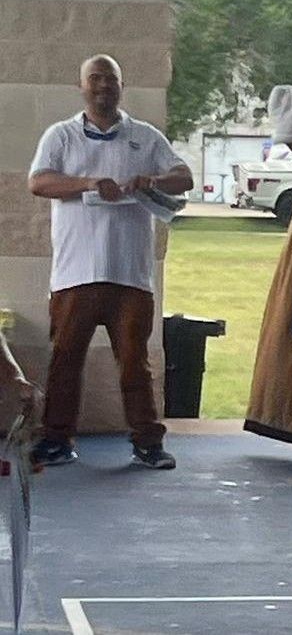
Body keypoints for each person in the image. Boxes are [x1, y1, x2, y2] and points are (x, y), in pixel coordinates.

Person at [27, 55, 194, 470]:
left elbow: (184, 176)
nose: (103, 86)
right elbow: (38, 182)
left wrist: (150, 180)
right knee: (65, 358)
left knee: (134, 362)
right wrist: (86, 182)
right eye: (95, 79)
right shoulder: (61, 136)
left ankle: (147, 442)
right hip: (75, 272)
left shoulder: (144, 136)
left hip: (130, 274)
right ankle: (57, 438)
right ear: (81, 86)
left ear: (122, 86)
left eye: (111, 79)